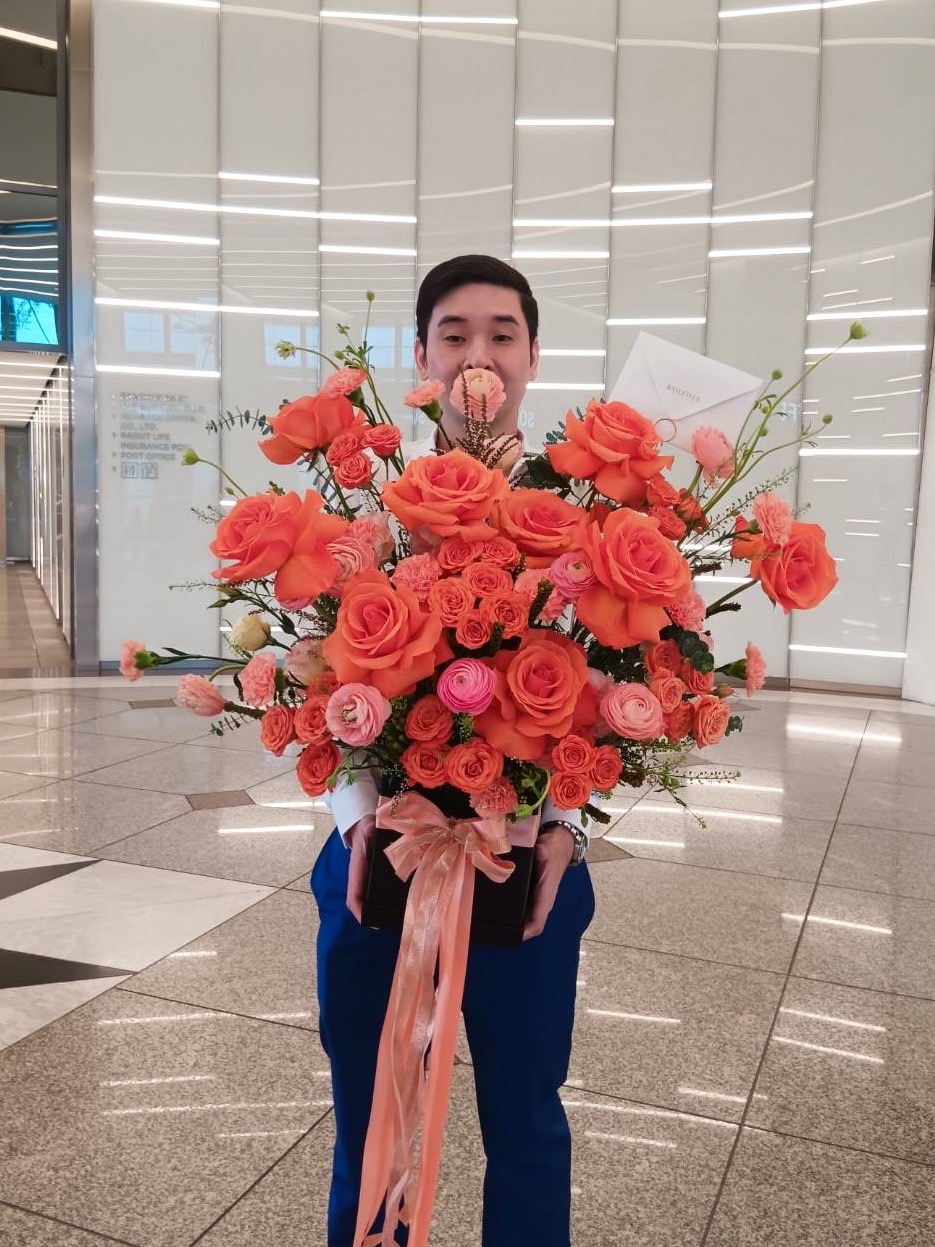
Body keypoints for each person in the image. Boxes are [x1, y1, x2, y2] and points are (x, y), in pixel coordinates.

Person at [311, 255, 595, 1247]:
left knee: (522, 1123)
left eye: (501, 333)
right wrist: (353, 819)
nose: (479, 354)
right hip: (377, 866)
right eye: (455, 334)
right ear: (422, 356)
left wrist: (562, 826)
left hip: (525, 871)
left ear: (531, 353)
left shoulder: (584, 518)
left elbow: (606, 702)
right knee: (375, 1122)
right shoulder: (369, 510)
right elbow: (329, 686)